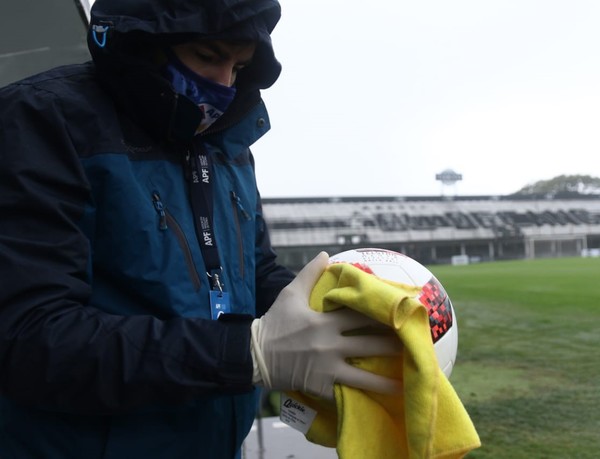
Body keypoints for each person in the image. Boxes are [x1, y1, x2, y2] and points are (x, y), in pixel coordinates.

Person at [0, 1, 401, 458]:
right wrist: (247, 353)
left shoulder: (226, 141)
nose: (226, 85)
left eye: (241, 65)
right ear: (140, 44)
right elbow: (30, 338)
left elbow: (254, 272)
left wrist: (335, 310)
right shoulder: (39, 119)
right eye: (209, 57)